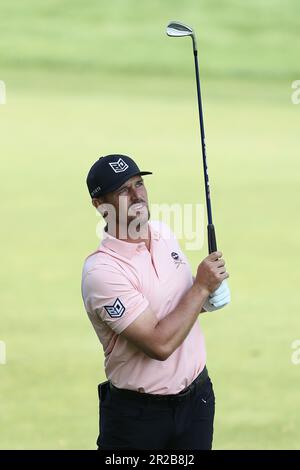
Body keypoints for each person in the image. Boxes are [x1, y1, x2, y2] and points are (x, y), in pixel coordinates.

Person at [81, 154, 230, 450]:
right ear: (100, 206)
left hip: (197, 402)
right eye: (123, 190)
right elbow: (159, 344)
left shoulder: (163, 234)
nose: (138, 195)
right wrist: (201, 288)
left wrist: (207, 298)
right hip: (138, 417)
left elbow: (177, 306)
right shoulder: (102, 272)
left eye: (139, 183)